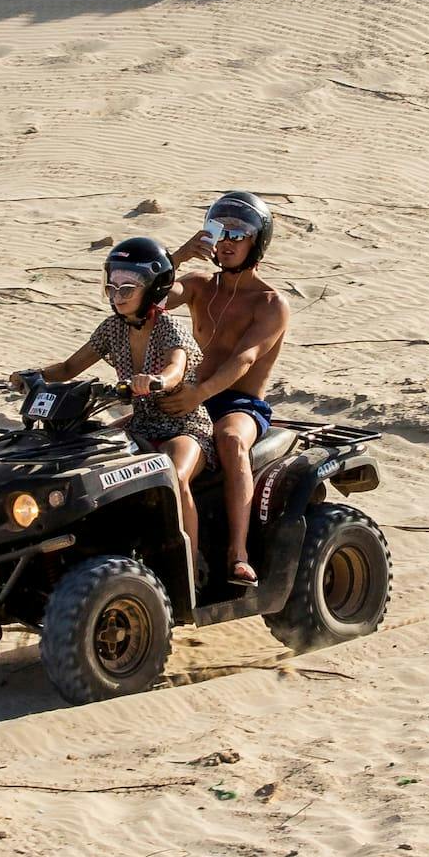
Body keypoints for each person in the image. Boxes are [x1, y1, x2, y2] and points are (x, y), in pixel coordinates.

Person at [30, 236, 207, 575]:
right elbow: (69, 368)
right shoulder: (112, 328)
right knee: (82, 452)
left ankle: (190, 565)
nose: (118, 295)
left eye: (129, 287)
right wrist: (33, 375)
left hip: (184, 426)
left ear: (154, 289)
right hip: (140, 424)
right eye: (112, 287)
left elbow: (175, 369)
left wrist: (155, 381)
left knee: (175, 476)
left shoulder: (170, 328)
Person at [167, 191, 292, 594]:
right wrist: (177, 258)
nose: (227, 241)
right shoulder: (199, 285)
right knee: (118, 435)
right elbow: (143, 299)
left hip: (238, 402)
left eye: (238, 233)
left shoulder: (270, 302)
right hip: (192, 394)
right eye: (219, 230)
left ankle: (237, 553)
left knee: (231, 439)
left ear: (258, 242)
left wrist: (199, 394)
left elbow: (245, 359)